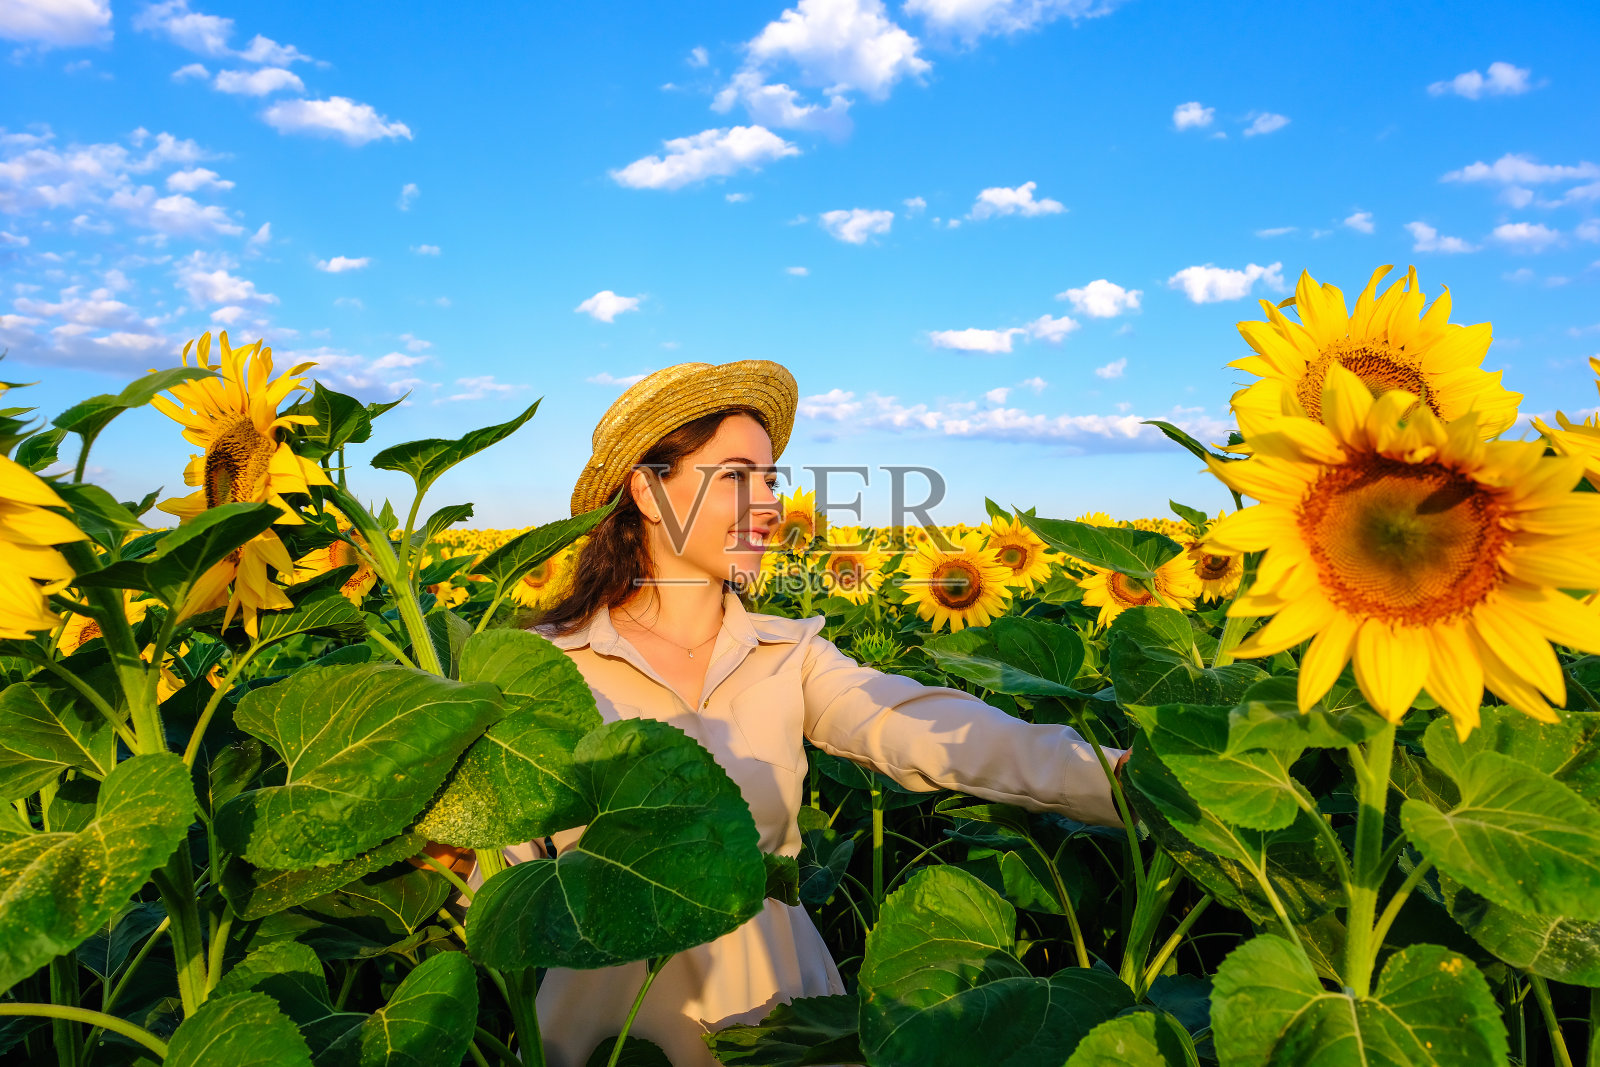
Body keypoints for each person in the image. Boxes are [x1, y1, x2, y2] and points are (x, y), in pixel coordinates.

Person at [424, 359, 1130, 1067]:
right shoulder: (549, 668)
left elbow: (926, 725)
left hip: (782, 1030)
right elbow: (500, 878)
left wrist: (1124, 779)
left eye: (769, 481)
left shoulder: (789, 655)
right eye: (735, 477)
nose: (768, 505)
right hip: (606, 1038)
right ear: (647, 489)